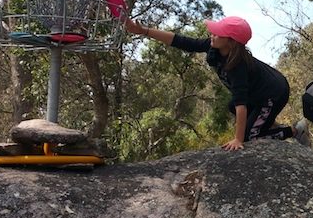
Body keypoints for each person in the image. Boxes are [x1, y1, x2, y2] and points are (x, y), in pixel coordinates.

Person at [123, 15, 296, 151]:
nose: (212, 35)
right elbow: (181, 41)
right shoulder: (214, 46)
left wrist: (238, 139)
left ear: (231, 41)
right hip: (259, 92)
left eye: (217, 33)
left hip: (273, 93)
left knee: (250, 139)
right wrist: (144, 31)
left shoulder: (238, 66)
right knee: (231, 107)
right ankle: (267, 123)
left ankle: (293, 131)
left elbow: (241, 105)